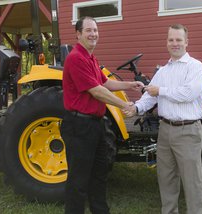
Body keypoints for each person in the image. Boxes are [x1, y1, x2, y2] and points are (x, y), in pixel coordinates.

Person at [61, 16, 144, 214]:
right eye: (88, 30)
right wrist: (126, 105)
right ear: (78, 34)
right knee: (78, 180)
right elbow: (96, 91)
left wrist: (129, 85)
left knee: (99, 174)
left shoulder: (91, 58)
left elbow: (105, 83)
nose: (93, 34)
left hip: (96, 124)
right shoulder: (76, 58)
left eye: (95, 30)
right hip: (79, 126)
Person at [125, 24, 202, 214]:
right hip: (165, 130)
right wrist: (136, 108)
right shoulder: (163, 71)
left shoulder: (195, 67)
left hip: (188, 131)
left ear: (186, 42)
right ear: (167, 42)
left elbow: (188, 94)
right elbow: (149, 96)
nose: (175, 43)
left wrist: (160, 90)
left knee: (192, 181)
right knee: (166, 178)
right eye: (171, 40)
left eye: (179, 40)